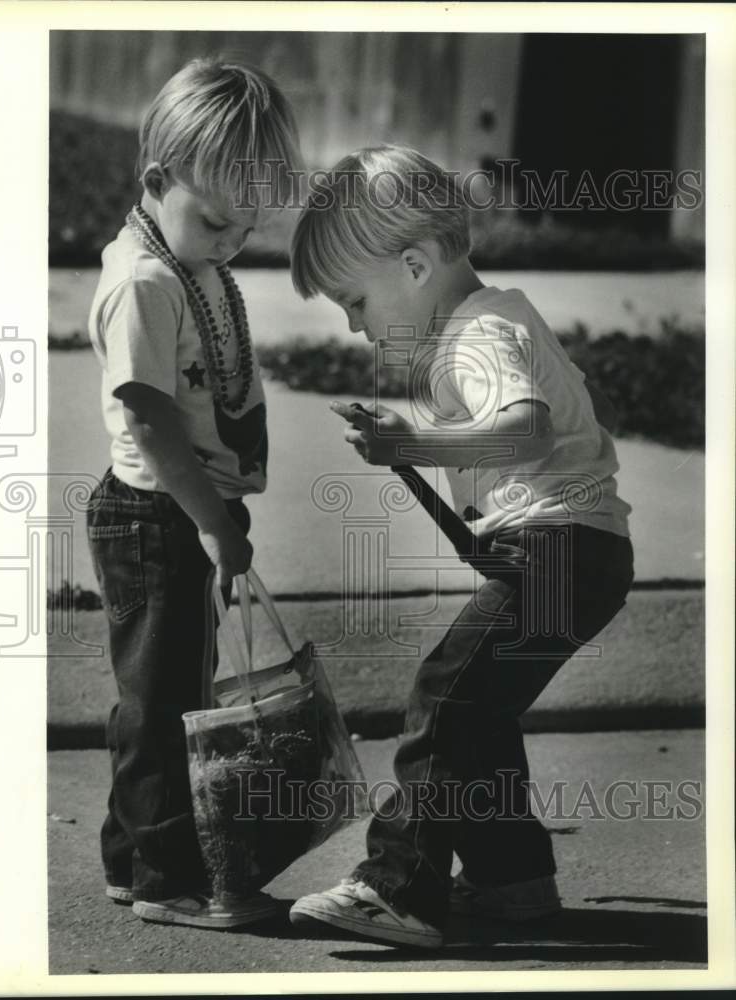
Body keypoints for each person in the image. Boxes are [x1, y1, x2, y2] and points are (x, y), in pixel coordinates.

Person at [287, 145, 634, 949]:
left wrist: (415, 445)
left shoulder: (473, 337)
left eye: (354, 301)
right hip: (578, 551)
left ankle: (398, 886)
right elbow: (585, 408)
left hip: (561, 551)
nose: (352, 324)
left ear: (412, 265)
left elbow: (525, 428)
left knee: (445, 700)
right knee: (478, 712)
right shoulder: (504, 313)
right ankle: (512, 879)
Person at [85, 56, 301, 930]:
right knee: (164, 705)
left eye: (246, 229)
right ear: (156, 180)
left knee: (173, 688)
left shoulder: (186, 258)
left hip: (190, 512)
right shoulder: (142, 281)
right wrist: (214, 524)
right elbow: (151, 424)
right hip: (159, 513)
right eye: (215, 220)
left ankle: (130, 858)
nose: (228, 242)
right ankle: (166, 881)